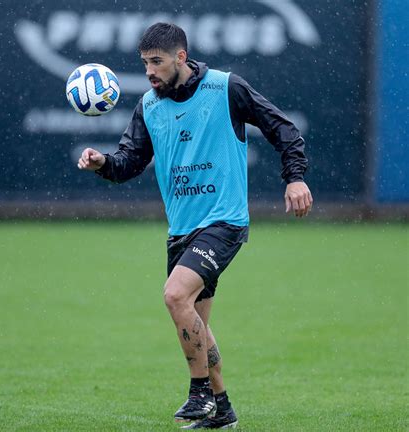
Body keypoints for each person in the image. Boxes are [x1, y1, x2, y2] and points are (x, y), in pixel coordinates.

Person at [78, 22, 312, 429]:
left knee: (173, 297)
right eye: (144, 63)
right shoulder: (149, 106)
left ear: (181, 58)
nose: (149, 71)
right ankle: (222, 409)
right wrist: (103, 163)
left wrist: (295, 177)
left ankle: (199, 392)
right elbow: (128, 163)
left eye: (157, 62)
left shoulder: (226, 88)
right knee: (196, 321)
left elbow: (284, 130)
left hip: (225, 221)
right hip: (182, 229)